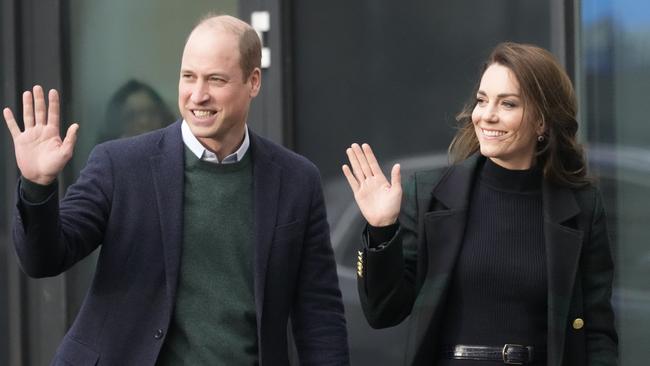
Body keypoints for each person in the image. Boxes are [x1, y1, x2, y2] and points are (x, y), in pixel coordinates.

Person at [3, 14, 349, 365]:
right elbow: (43, 259)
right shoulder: (120, 165)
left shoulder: (296, 181)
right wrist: (37, 186)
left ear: (253, 81)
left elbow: (319, 314)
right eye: (189, 77)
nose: (198, 95)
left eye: (215, 79)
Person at [342, 42, 617, 365]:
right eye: (482, 100)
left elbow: (597, 331)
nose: (487, 115)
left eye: (508, 104)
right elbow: (383, 311)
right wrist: (381, 230)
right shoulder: (430, 195)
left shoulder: (581, 206)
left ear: (542, 122)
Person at [98, 79, 175, 143]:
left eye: (152, 113)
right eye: (132, 116)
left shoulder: (177, 153)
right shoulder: (107, 158)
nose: (144, 121)